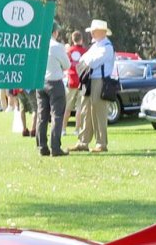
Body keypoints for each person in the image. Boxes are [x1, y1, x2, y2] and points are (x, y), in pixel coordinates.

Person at [74, 18, 116, 153]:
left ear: (102, 32)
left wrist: (86, 61)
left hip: (100, 80)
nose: (91, 33)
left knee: (99, 112)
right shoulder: (96, 46)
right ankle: (83, 141)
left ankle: (101, 143)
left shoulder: (107, 47)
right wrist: (86, 61)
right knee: (86, 110)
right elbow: (83, 59)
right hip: (90, 80)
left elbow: (92, 62)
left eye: (94, 31)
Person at [35, 27, 71, 156]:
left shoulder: (38, 43)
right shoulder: (56, 46)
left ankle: (41, 146)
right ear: (54, 32)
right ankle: (55, 147)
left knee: (42, 116)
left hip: (40, 82)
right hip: (54, 82)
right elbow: (67, 65)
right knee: (57, 115)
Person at [64, 30, 87, 132]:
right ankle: (77, 129)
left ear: (72, 40)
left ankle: (63, 129)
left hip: (71, 81)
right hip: (81, 82)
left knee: (67, 107)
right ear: (81, 39)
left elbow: (65, 65)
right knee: (79, 108)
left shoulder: (69, 51)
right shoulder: (85, 51)